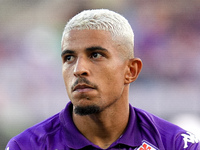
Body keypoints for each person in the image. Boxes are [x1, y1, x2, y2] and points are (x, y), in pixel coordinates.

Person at [6, 9, 200, 150]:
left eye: (96, 55)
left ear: (131, 70)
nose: (78, 69)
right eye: (69, 58)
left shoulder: (175, 143)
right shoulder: (26, 145)